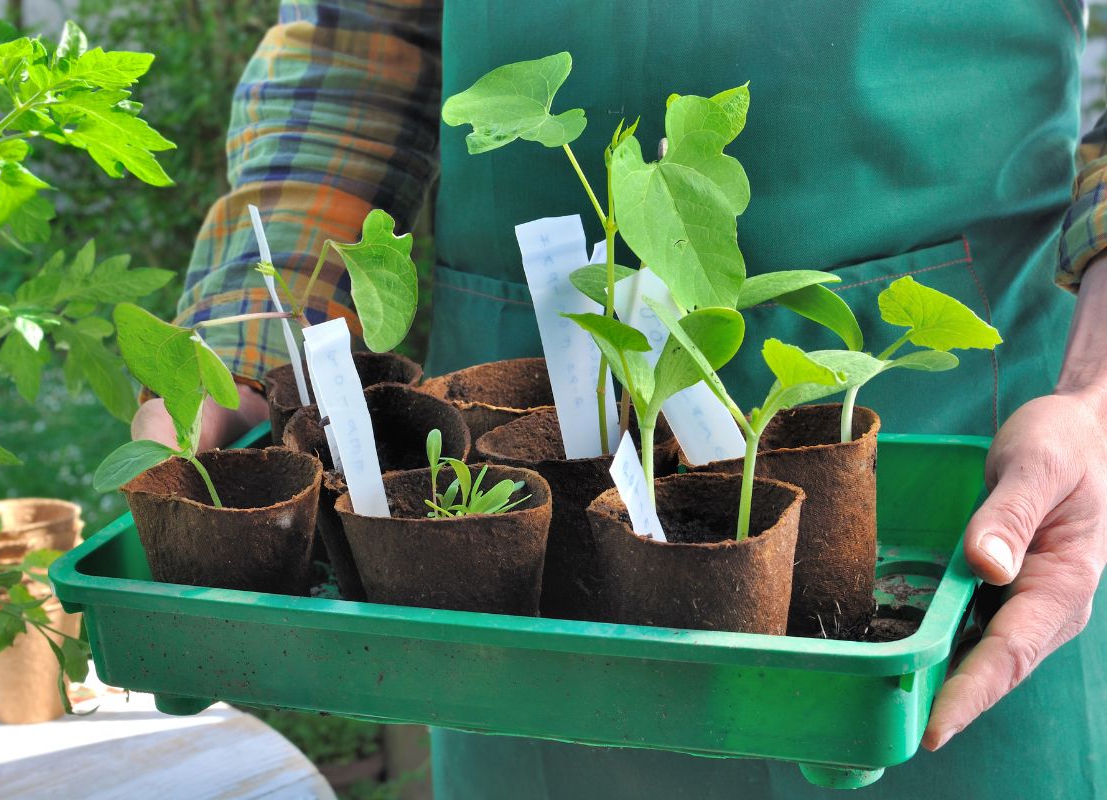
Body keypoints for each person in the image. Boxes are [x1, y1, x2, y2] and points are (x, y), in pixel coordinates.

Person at [132, 2, 1107, 796]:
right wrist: (247, 343)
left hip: (944, 437)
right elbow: (362, 35)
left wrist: (1098, 394)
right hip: (529, 425)